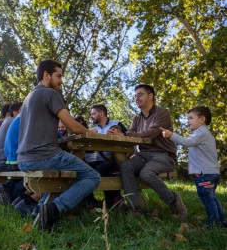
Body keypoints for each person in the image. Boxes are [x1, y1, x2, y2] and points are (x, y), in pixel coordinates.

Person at [17, 59, 101, 231]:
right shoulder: (50, 94)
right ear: (46, 75)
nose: (61, 81)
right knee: (92, 177)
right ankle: (54, 209)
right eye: (58, 76)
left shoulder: (29, 97)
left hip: (24, 159)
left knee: (66, 175)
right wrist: (92, 132)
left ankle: (38, 209)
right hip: (44, 155)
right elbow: (72, 125)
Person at [109, 84, 187, 219]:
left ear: (150, 96)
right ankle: (134, 209)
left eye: (140, 94)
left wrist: (129, 134)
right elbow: (132, 135)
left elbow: (152, 133)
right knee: (125, 166)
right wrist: (126, 135)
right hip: (143, 154)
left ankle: (173, 200)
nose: (136, 98)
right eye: (135, 96)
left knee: (146, 174)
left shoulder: (162, 113)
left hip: (163, 154)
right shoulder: (136, 118)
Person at [161, 106, 227, 228]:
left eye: (191, 118)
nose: (188, 121)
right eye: (187, 118)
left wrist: (171, 135)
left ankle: (213, 223)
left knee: (207, 198)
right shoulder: (205, 133)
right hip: (211, 172)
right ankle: (222, 221)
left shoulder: (200, 132)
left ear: (202, 119)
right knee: (211, 197)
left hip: (204, 174)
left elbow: (187, 142)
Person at [90, 104, 128, 208]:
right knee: (85, 166)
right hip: (100, 159)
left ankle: (114, 199)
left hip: (117, 159)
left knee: (103, 168)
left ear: (102, 113)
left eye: (93, 113)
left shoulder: (116, 123)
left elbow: (129, 138)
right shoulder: (94, 129)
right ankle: (89, 200)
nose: (91, 116)